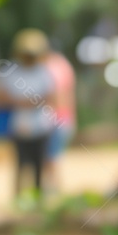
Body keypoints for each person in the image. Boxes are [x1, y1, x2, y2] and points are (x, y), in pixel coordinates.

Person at [0, 29, 57, 198]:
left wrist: (26, 102)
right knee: (20, 165)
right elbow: (1, 97)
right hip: (19, 125)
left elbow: (51, 97)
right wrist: (26, 102)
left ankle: (37, 197)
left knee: (39, 165)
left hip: (41, 125)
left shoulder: (43, 72)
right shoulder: (11, 71)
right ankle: (18, 197)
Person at [43, 50, 77, 192]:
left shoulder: (50, 67)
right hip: (64, 117)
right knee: (53, 156)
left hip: (54, 118)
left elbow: (56, 95)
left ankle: (54, 188)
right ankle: (53, 188)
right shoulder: (64, 66)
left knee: (51, 157)